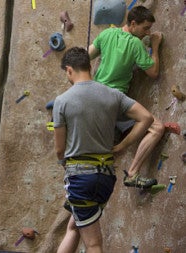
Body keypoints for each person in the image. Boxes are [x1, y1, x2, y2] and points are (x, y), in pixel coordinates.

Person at [53, 47, 153, 252]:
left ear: (69, 70)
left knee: (93, 243)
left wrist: (66, 164)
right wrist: (122, 146)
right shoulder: (113, 94)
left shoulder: (62, 101)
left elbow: (59, 149)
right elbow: (147, 118)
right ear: (90, 67)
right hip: (106, 178)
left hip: (80, 179)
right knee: (74, 225)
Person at [88, 6, 164, 188]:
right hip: (115, 98)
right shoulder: (136, 44)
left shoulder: (107, 34)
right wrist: (154, 46)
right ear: (132, 24)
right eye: (145, 28)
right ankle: (132, 172)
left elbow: (84, 57)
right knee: (157, 128)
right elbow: (153, 72)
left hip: (95, 99)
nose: (148, 32)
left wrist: (86, 86)